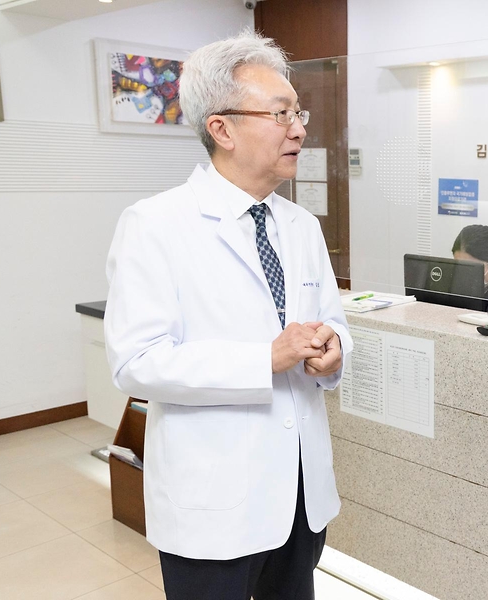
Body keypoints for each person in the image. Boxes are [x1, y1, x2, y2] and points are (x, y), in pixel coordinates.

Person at [104, 31, 352, 600]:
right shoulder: (155, 225)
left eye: (299, 112)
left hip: (299, 497)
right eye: (281, 113)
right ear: (222, 128)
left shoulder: (300, 226)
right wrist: (266, 357)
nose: (299, 128)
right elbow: (137, 363)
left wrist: (334, 347)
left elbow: (334, 323)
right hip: (215, 508)